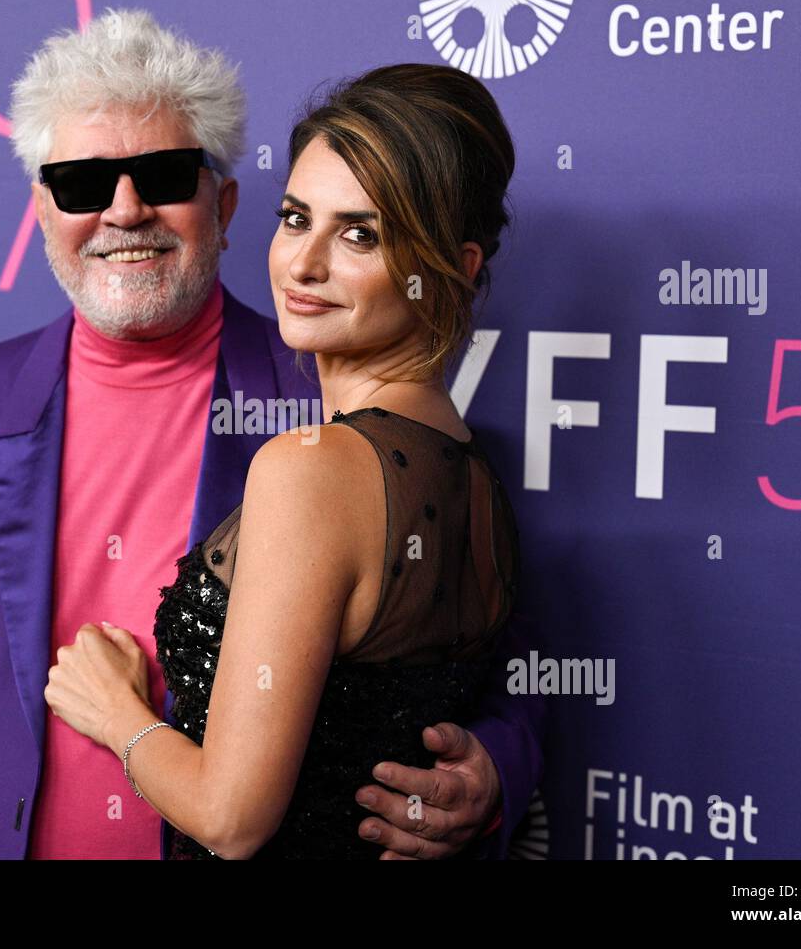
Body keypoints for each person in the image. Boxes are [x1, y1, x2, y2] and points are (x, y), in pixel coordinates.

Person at [0, 8, 544, 860]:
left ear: (224, 203)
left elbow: (494, 663)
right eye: (83, 184)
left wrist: (493, 771)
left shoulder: (340, 406)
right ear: (43, 212)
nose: (124, 211)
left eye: (160, 173)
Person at [43, 58, 531, 859]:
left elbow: (233, 820)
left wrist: (116, 714)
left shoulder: (309, 468)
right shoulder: (475, 473)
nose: (302, 265)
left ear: (455, 268)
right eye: (296, 218)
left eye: (361, 235)